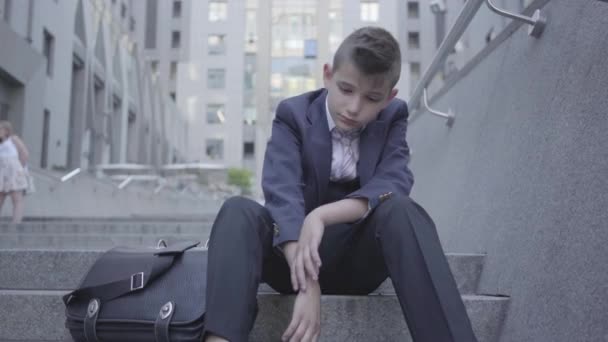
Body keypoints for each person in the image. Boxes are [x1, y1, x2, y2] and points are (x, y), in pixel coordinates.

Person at [204, 27, 478, 342]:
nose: (354, 107)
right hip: (289, 259)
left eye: (371, 98)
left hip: (355, 261)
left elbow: (393, 181)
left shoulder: (393, 117)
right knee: (238, 211)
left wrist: (320, 216)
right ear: (327, 75)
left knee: (403, 210)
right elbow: (282, 193)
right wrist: (307, 281)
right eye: (346, 89)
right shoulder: (293, 114)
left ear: (389, 97)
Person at [0, 120, 29, 223]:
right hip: (2, 172)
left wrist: (19, 169)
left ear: (6, 130)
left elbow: (25, 153)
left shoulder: (13, 139)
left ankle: (16, 223)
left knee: (16, 198)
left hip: (14, 171)